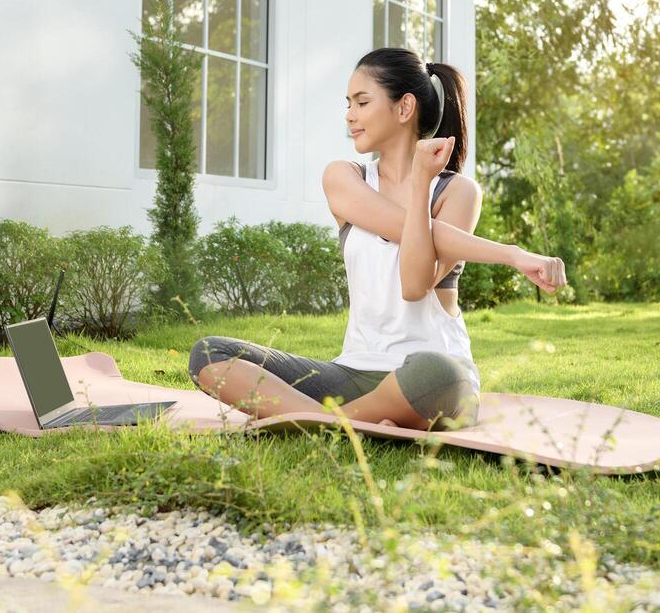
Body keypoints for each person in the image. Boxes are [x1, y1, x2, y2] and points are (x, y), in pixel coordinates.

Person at [188, 47, 567, 430]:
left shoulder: (457, 192)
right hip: (353, 373)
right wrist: (512, 254)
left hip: (427, 373)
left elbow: (415, 285)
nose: (350, 115)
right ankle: (335, 421)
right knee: (210, 353)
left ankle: (318, 420)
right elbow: (404, 227)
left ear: (404, 108)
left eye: (362, 102)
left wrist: (421, 182)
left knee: (440, 375)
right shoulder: (344, 178)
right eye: (348, 103)